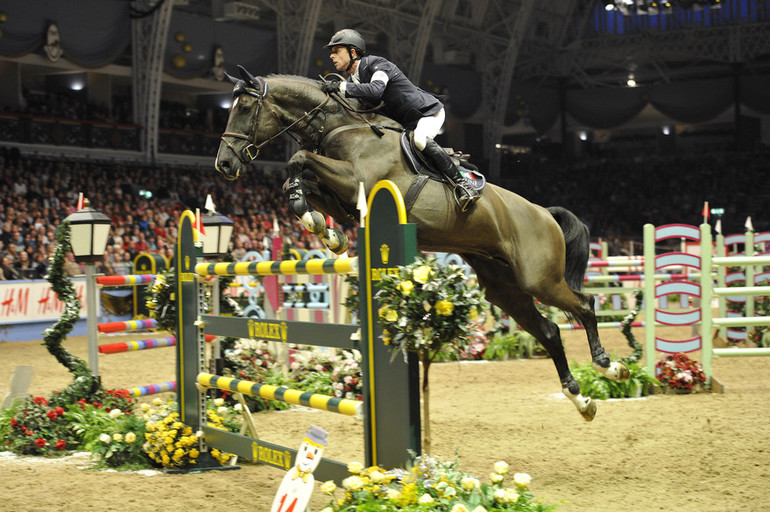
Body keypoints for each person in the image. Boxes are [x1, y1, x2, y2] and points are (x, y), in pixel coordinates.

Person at [321, 29, 480, 211]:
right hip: (406, 125)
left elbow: (376, 90)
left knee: (420, 140)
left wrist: (341, 87)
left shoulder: (377, 64)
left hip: (427, 112)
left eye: (336, 51)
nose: (332, 57)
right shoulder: (354, 80)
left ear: (353, 51)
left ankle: (463, 186)